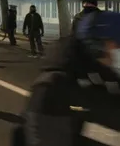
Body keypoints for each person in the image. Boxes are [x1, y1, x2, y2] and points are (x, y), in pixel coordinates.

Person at [20, 11, 120, 146]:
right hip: (51, 125)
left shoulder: (86, 61)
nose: (116, 52)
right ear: (99, 45)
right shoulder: (57, 81)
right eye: (116, 45)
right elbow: (100, 103)